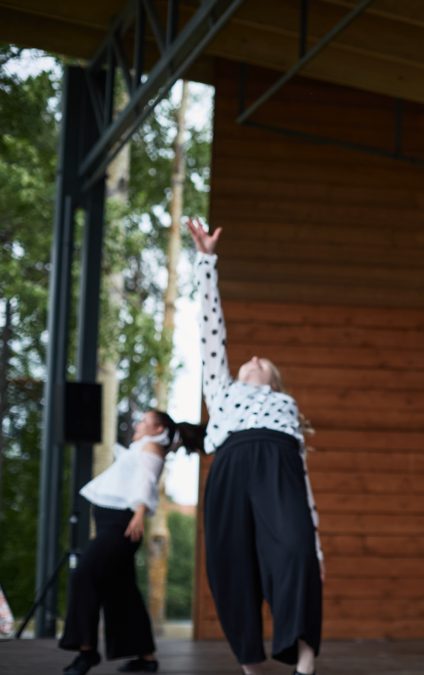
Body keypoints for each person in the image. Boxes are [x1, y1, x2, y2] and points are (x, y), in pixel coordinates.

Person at [186, 217, 323, 675]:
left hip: (277, 466)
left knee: (296, 552)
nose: (253, 358)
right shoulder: (222, 392)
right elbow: (210, 334)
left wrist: (317, 545)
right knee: (228, 563)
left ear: (276, 381)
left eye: (263, 362)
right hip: (229, 465)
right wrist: (206, 261)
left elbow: (303, 486)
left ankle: (304, 660)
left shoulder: (286, 406)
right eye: (247, 361)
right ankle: (250, 664)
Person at [59, 409, 181, 675]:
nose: (138, 424)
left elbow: (146, 481)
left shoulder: (151, 447)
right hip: (112, 523)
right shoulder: (142, 447)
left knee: (84, 575)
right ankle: (146, 658)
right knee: (121, 589)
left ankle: (86, 651)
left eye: (145, 422)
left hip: (122, 524)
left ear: (158, 430)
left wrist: (139, 513)